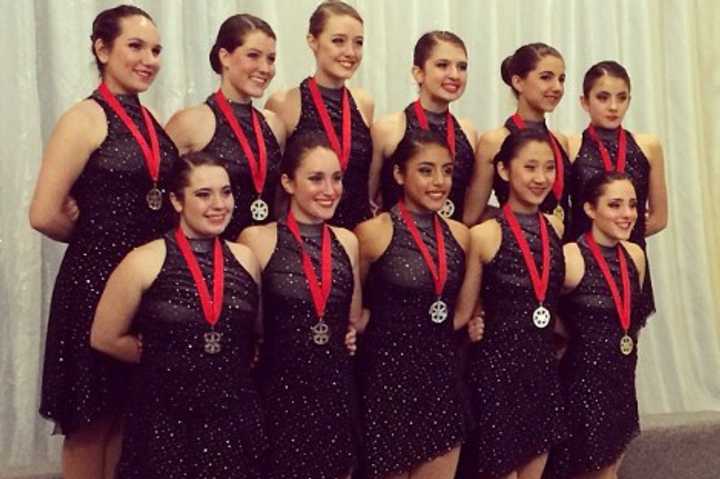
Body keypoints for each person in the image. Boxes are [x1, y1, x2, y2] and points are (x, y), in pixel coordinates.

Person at [28, 5, 178, 477]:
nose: (149, 59)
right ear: (101, 49)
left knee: (127, 417)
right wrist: (97, 239)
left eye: (155, 49)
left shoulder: (151, 120)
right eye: (135, 46)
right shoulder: (84, 118)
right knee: (90, 423)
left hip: (143, 288)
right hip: (93, 287)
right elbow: (43, 212)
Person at [91, 152, 265, 478]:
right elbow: (104, 337)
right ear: (176, 200)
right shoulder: (143, 260)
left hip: (232, 418)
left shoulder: (246, 259)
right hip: (165, 418)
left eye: (226, 192)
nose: (219, 204)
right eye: (203, 194)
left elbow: (256, 335)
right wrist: (164, 356)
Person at [239, 131, 361, 478]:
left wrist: (350, 333)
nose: (330, 190)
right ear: (288, 182)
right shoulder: (257, 239)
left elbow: (352, 317)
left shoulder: (348, 242)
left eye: (336, 178)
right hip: (277, 391)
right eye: (316, 178)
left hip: (334, 389)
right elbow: (251, 323)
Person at [355, 130, 472, 479]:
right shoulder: (371, 233)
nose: (439, 181)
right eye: (426, 170)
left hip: (441, 380)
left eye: (447, 170)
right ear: (399, 175)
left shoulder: (461, 235)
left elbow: (463, 311)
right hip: (387, 382)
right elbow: (354, 309)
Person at [458, 129, 569, 479]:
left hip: (541, 368)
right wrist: (474, 323)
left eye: (549, 168)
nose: (541, 178)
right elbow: (466, 308)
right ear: (504, 171)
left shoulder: (555, 227)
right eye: (530, 167)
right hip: (497, 371)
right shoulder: (483, 234)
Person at [545, 172, 650, 479]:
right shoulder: (570, 257)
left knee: (610, 465)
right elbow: (537, 307)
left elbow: (627, 319)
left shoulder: (636, 256)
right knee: (594, 471)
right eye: (615, 205)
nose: (627, 214)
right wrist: (565, 334)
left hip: (621, 378)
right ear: (590, 209)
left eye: (632, 205)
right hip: (583, 383)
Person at [165, 14, 285, 240]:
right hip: (207, 257)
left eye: (270, 59)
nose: (265, 67)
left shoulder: (274, 125)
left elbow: (280, 201)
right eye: (253, 56)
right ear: (225, 57)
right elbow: (162, 197)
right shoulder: (190, 122)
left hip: (263, 255)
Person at [567, 60, 667, 313]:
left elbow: (658, 218)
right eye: (603, 97)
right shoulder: (570, 145)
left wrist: (619, 232)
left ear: (629, 101)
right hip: (583, 260)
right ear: (584, 102)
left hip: (628, 259)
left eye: (621, 98)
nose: (613, 107)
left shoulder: (648, 146)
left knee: (624, 336)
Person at [266, 0, 374, 229]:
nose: (350, 52)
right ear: (312, 41)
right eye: (338, 41)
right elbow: (275, 185)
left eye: (359, 43)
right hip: (304, 235)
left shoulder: (364, 103)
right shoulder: (286, 103)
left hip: (357, 232)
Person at [369, 31, 477, 222]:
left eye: (462, 67)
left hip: (453, 245)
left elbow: (471, 204)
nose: (454, 74)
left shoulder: (468, 131)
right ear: (418, 73)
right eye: (443, 65)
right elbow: (369, 199)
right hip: (399, 245)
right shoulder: (389, 129)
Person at [464, 43, 571, 234]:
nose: (557, 87)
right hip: (516, 247)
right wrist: (514, 223)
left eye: (561, 79)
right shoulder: (495, 141)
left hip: (560, 244)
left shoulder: (560, 141)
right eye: (546, 77)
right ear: (518, 82)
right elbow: (472, 215)